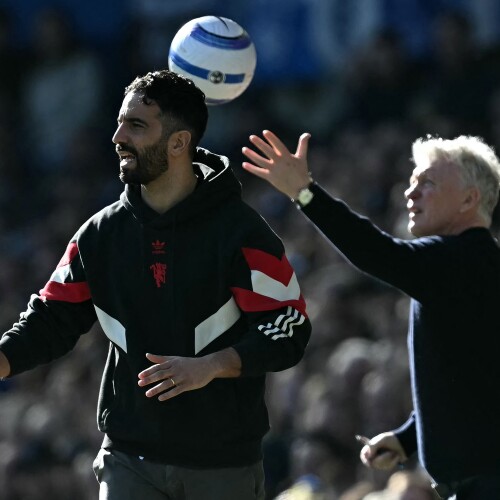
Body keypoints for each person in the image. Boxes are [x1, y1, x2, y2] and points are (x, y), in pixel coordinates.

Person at [0, 71, 311, 500]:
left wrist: (212, 365)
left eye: (136, 126)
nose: (118, 137)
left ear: (179, 143)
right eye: (120, 123)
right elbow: (51, 319)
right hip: (129, 459)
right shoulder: (99, 235)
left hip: (223, 466)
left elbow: (289, 328)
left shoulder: (241, 233)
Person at [242, 130, 500, 499]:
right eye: (412, 182)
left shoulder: (461, 260)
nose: (410, 193)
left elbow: (378, 252)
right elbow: (471, 382)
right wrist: (407, 437)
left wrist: (305, 193)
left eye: (428, 183)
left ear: (469, 199)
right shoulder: (465, 268)